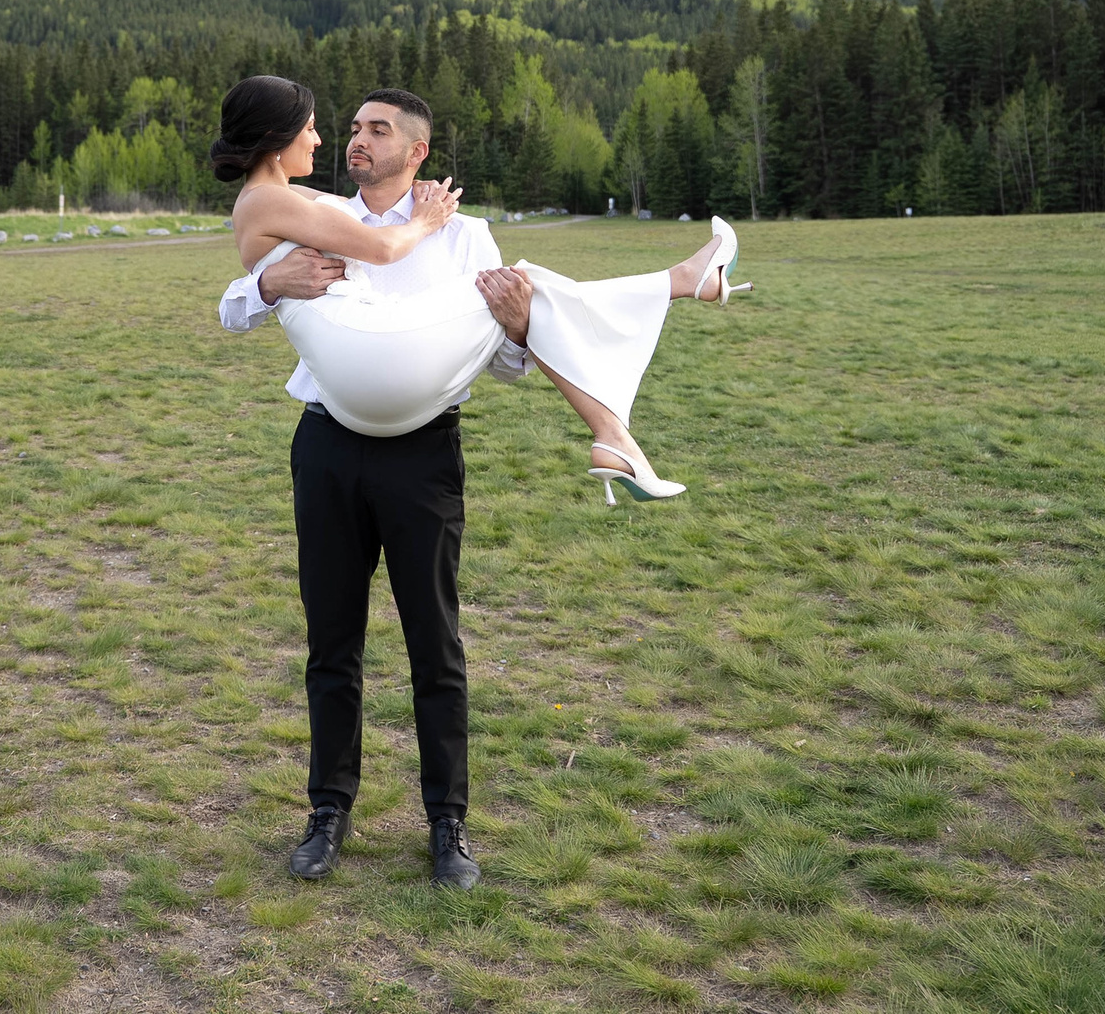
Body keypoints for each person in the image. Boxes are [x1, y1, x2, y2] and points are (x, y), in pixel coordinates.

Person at [215, 78, 746, 891]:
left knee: (436, 645)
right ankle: (328, 813)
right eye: (349, 127)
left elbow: (502, 360)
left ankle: (447, 822)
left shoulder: (466, 236)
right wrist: (266, 285)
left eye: (376, 129)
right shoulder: (316, 213)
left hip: (423, 454)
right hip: (329, 446)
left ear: (417, 150)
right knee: (332, 642)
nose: (352, 140)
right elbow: (232, 300)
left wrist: (524, 324)